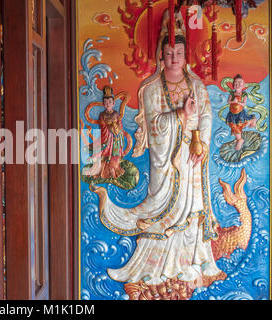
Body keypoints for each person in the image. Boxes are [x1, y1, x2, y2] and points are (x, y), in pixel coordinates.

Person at [92, 10, 225, 300]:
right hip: (166, 165)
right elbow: (155, 128)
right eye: (169, 52)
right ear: (160, 56)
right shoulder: (151, 90)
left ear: (185, 55)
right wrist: (180, 115)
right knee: (164, 213)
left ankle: (192, 264)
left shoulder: (197, 85)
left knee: (192, 212)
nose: (174, 57)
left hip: (192, 160)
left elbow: (206, 117)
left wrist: (199, 142)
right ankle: (156, 268)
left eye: (179, 52)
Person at [82, 86, 129, 179]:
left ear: (113, 103)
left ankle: (114, 170)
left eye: (110, 102)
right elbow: (102, 126)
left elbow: (120, 125)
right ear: (103, 104)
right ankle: (103, 171)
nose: (108, 104)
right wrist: (109, 127)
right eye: (106, 103)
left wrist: (117, 128)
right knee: (104, 153)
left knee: (115, 155)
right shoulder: (102, 115)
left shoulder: (116, 114)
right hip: (107, 137)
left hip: (116, 138)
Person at [226, 74, 257, 150]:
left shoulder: (244, 94)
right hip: (232, 113)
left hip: (240, 113)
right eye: (236, 83)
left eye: (239, 83)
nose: (237, 85)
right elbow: (228, 102)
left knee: (238, 125)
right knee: (233, 125)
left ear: (243, 85)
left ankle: (240, 140)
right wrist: (233, 101)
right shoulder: (232, 93)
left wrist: (238, 102)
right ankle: (239, 139)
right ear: (233, 85)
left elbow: (244, 104)